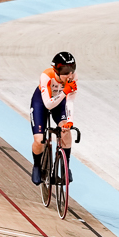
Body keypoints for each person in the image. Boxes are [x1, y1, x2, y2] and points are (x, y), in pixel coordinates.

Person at [30, 51, 77, 187]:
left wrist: (69, 121)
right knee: (39, 141)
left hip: (60, 104)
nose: (70, 75)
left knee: (66, 131)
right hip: (42, 103)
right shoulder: (46, 76)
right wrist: (64, 92)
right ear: (56, 70)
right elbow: (48, 104)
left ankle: (66, 167)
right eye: (66, 71)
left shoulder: (72, 78)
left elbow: (70, 102)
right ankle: (37, 166)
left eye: (72, 70)